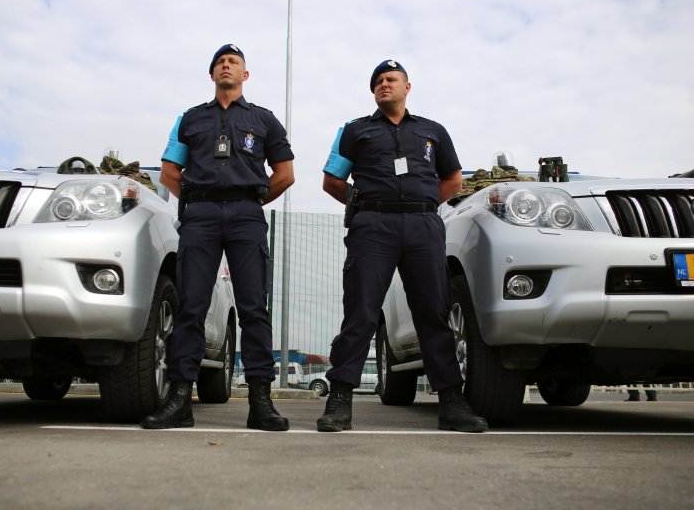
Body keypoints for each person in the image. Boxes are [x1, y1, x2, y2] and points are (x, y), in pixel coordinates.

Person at [318, 59, 488, 433]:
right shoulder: (354, 131)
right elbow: (332, 180)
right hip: (372, 226)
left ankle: (451, 402)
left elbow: (454, 180)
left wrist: (421, 204)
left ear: (407, 87)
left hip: (423, 227)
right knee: (360, 314)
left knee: (433, 312)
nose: (384, 84)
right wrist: (362, 205)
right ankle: (340, 399)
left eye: (391, 79)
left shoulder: (433, 132)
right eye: (377, 81)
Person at [140, 44, 295, 431]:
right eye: (220, 63)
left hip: (246, 215)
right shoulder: (189, 120)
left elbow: (285, 173)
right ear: (211, 76)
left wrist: (253, 197)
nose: (226, 66)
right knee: (191, 307)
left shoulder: (265, 120)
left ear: (246, 75)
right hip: (201, 216)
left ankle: (260, 401)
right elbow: (169, 172)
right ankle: (179, 399)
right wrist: (198, 200)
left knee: (253, 308)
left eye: (234, 62)